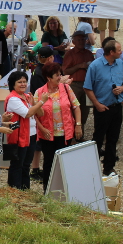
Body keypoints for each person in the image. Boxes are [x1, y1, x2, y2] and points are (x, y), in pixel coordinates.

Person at [84, 40, 123, 176]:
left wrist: (122, 88)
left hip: (117, 106)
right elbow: (87, 87)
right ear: (111, 52)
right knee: (98, 138)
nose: (121, 52)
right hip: (102, 108)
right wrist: (97, 104)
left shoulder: (120, 64)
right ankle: (92, 167)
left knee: (113, 138)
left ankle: (109, 167)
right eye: (119, 50)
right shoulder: (95, 66)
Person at [33, 62, 82, 191]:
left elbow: (76, 107)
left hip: (65, 133)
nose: (60, 77)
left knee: (65, 162)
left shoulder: (66, 88)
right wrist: (42, 129)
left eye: (60, 74)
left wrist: (78, 125)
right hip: (48, 134)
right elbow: (34, 114)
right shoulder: (39, 92)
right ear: (49, 78)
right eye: (57, 75)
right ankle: (48, 190)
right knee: (49, 162)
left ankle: (66, 190)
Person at [2, 71, 44, 190]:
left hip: (31, 134)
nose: (23, 84)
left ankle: (25, 189)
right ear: (12, 84)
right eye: (19, 82)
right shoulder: (13, 99)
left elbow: (40, 113)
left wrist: (35, 102)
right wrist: (42, 101)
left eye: (25, 81)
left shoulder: (27, 97)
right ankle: (14, 189)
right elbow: (27, 114)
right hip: (18, 135)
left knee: (26, 164)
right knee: (17, 164)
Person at [62, 30, 94, 136]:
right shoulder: (70, 54)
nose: (81, 42)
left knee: (85, 111)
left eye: (83, 40)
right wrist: (79, 66)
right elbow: (65, 71)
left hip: (87, 85)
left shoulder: (89, 54)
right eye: (79, 40)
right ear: (74, 41)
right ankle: (71, 136)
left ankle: (80, 136)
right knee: (73, 110)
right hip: (74, 85)